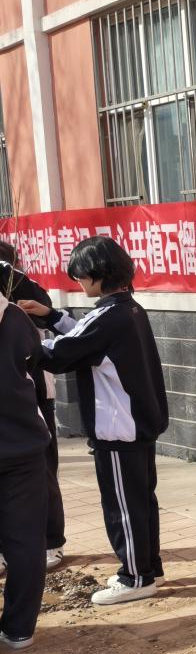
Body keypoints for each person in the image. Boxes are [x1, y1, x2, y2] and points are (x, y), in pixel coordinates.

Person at [19, 236, 169, 606]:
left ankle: (135, 577)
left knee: (123, 505)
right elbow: (84, 338)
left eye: (82, 276)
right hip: (138, 424)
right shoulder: (127, 309)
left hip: (118, 428)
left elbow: (59, 354)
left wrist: (15, 333)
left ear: (99, 274)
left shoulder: (109, 317)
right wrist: (50, 316)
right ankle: (148, 568)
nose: (79, 283)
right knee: (141, 501)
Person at [0, 243, 66, 572]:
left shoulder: (20, 294)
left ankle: (52, 541)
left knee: (43, 469)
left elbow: (45, 307)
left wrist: (9, 273)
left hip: (35, 395)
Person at [0, 290, 51, 650]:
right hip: (21, 446)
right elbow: (32, 370)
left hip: (21, 447)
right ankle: (20, 630)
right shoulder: (17, 320)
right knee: (26, 540)